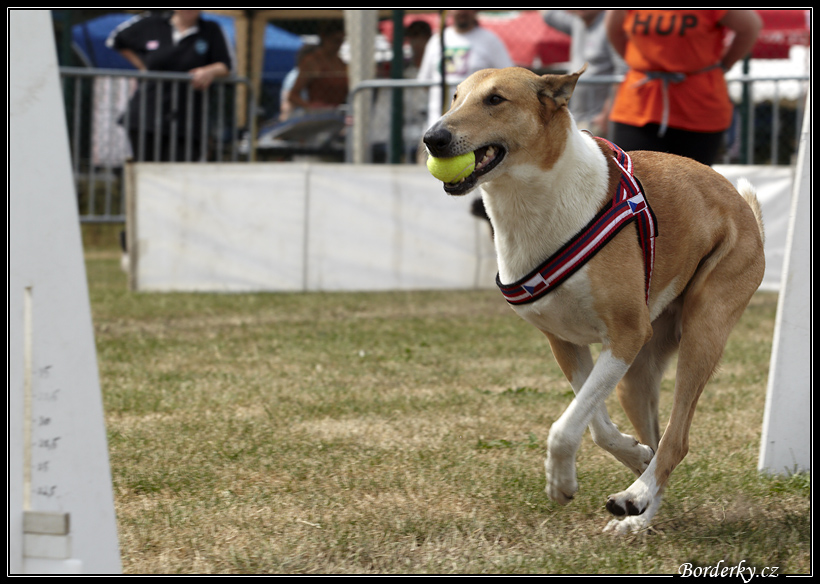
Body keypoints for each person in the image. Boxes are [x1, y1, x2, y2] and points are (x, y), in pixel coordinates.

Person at [605, 9, 762, 166]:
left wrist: (723, 65)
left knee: (691, 179)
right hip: (639, 105)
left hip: (698, 105)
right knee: (632, 174)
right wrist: (642, 64)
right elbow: (614, 31)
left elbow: (749, 27)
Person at [107, 10, 234, 162]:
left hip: (188, 119)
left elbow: (227, 66)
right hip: (147, 115)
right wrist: (143, 67)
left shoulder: (211, 29)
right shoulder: (152, 22)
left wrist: (209, 71)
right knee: (147, 169)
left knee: (180, 170)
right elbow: (116, 40)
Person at [416, 10, 514, 130]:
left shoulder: (490, 40)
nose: (462, 11)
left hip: (473, 130)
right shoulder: (437, 40)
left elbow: (509, 80)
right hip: (435, 125)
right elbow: (424, 81)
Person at [541, 10, 627, 137]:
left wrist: (606, 115)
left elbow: (622, 73)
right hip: (575, 119)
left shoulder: (610, 24)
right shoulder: (577, 22)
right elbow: (549, 14)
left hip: (598, 122)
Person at [288, 19, 348, 112]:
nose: (338, 45)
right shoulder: (312, 61)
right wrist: (311, 107)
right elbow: (292, 95)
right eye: (335, 41)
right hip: (319, 115)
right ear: (324, 37)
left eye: (341, 41)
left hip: (338, 113)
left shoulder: (341, 63)